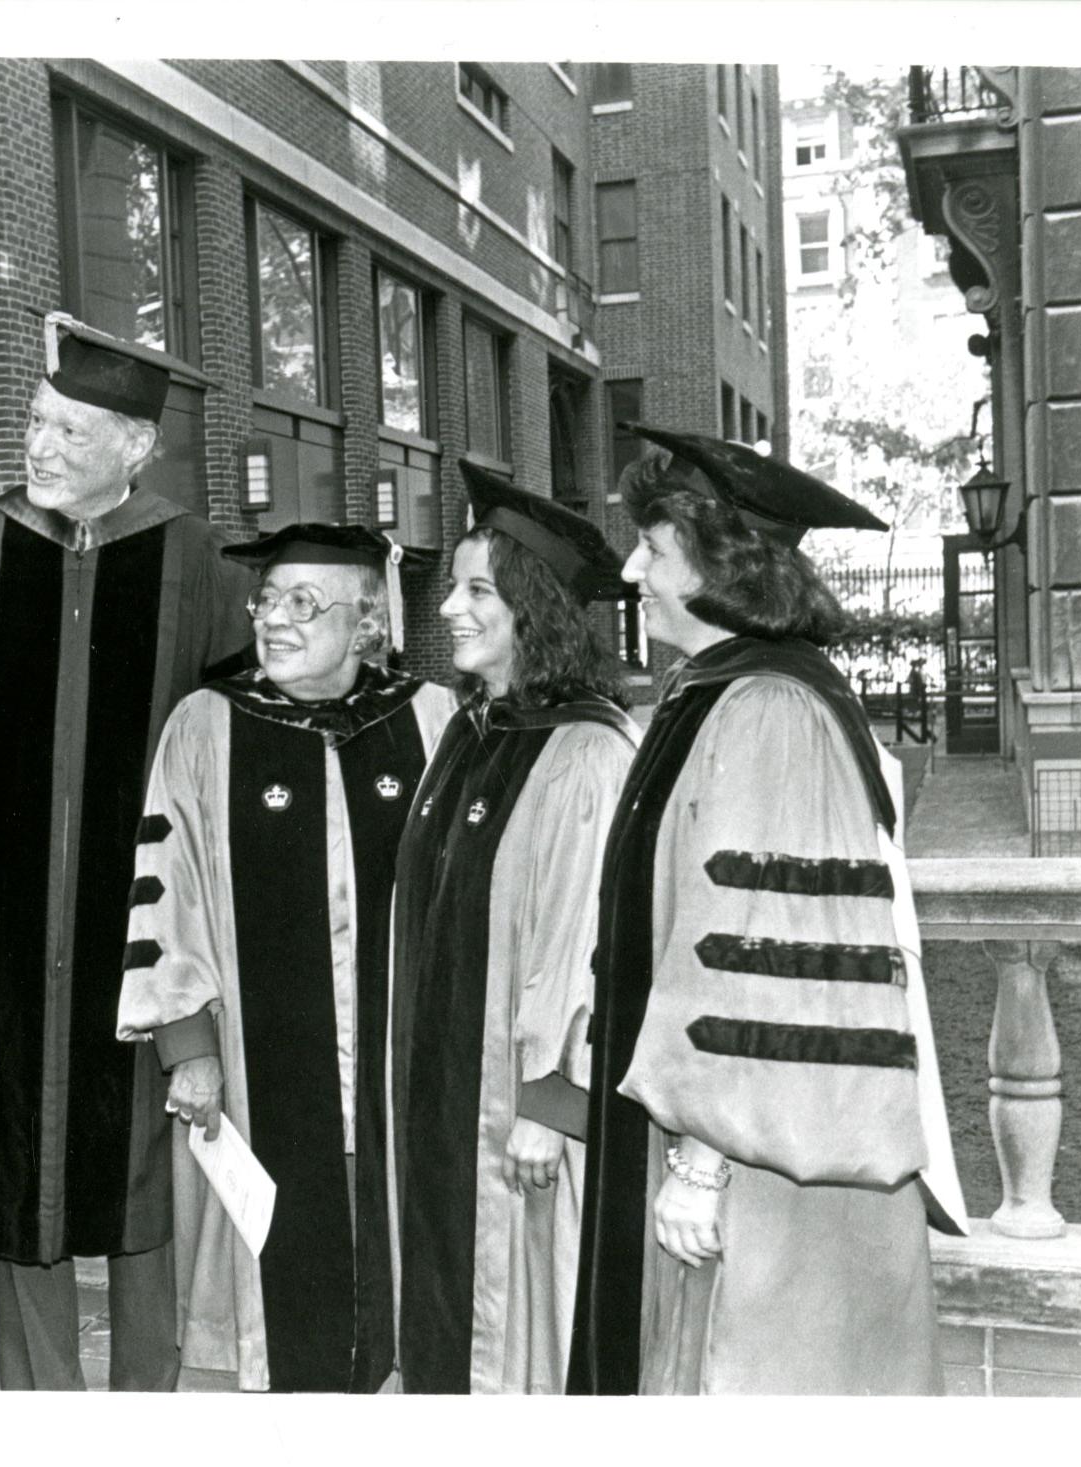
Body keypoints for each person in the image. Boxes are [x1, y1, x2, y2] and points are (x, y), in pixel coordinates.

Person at [567, 425, 968, 1395]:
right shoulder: (714, 693)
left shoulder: (768, 715)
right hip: (739, 1135)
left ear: (719, 562)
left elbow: (769, 953)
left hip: (773, 1160)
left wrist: (705, 1164)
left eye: (652, 549)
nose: (630, 568)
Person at [0, 324, 253, 1391]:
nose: (39, 445)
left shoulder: (196, 561)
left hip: (141, 941)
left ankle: (147, 1413)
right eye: (36, 422)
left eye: (68, 429)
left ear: (135, 447)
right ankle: (38, 1421)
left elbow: (225, 758)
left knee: (143, 1177)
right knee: (16, 1183)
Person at [116, 523, 457, 1394]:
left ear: (366, 622)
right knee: (277, 1285)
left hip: (400, 1062)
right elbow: (167, 881)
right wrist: (187, 1047)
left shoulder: (429, 718)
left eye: (303, 603)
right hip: (256, 1069)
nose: (274, 620)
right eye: (267, 600)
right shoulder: (206, 723)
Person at [386, 468, 640, 1394]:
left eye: (477, 589)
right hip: (445, 1091)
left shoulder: (584, 751)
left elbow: (586, 947)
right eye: (454, 586)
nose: (449, 606)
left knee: (522, 1326)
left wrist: (548, 1100)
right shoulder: (470, 731)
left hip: (521, 1112)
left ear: (535, 611)